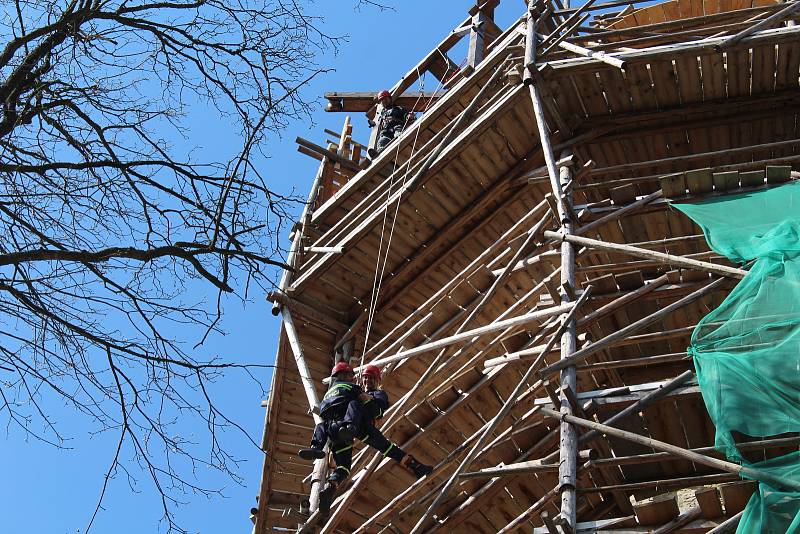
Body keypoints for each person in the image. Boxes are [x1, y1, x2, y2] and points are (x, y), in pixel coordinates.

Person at [298, 361, 432, 514]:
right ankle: (330, 478)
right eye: (366, 378)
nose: (367, 381)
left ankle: (416, 466)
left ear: (377, 381)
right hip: (348, 428)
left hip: (353, 427)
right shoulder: (354, 391)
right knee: (346, 461)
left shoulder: (378, 394)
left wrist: (368, 400)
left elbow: (377, 411)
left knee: (378, 452)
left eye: (371, 378)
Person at [367, 90, 415, 158]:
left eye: (385, 99)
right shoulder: (381, 115)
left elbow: (406, 115)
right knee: (382, 141)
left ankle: (400, 146)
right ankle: (379, 155)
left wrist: (409, 117)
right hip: (386, 131)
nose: (384, 101)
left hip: (397, 126)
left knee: (398, 135)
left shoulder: (398, 109)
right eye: (382, 100)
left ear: (390, 99)